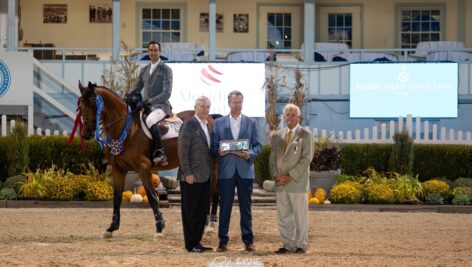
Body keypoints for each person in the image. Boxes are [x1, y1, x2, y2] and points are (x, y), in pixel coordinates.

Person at [211, 90, 262, 252]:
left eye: (240, 103)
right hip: (226, 172)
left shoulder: (251, 123)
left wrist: (249, 154)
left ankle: (248, 241)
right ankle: (222, 241)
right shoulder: (218, 123)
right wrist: (218, 152)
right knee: (224, 207)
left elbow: (258, 146)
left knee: (246, 208)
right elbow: (213, 147)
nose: (237, 106)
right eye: (235, 103)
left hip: (245, 171)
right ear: (229, 103)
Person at [269, 103, 314, 254]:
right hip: (280, 184)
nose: (290, 117)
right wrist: (276, 176)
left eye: (293, 114)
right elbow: (272, 157)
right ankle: (287, 245)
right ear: (284, 117)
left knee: (300, 216)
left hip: (297, 184)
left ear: (299, 117)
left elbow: (306, 159)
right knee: (284, 216)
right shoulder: (277, 135)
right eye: (287, 114)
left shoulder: (306, 135)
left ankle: (301, 245)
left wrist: (290, 176)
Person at [126, 41, 173, 166]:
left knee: (150, 120)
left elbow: (166, 93)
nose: (153, 53)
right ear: (148, 52)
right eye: (151, 50)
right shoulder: (144, 69)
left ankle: (160, 152)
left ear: (160, 52)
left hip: (161, 106)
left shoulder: (166, 69)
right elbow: (137, 88)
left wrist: (148, 101)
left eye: (155, 50)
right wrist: (128, 96)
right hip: (146, 107)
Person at [177, 96, 214, 253]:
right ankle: (190, 244)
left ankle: (197, 242)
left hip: (205, 176)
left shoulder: (208, 127)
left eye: (208, 106)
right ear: (196, 107)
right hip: (191, 177)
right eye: (202, 106)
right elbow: (183, 151)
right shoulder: (188, 125)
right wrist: (188, 173)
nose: (206, 109)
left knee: (202, 211)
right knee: (190, 212)